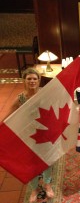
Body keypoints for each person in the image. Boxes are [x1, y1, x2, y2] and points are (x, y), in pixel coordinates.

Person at [2, 68, 54, 203]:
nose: (32, 81)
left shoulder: (46, 94)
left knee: (47, 160)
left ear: (39, 80)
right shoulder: (20, 99)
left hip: (45, 133)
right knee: (30, 162)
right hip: (28, 136)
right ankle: (35, 188)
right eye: (29, 79)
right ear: (24, 81)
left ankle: (47, 184)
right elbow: (8, 117)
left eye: (34, 79)